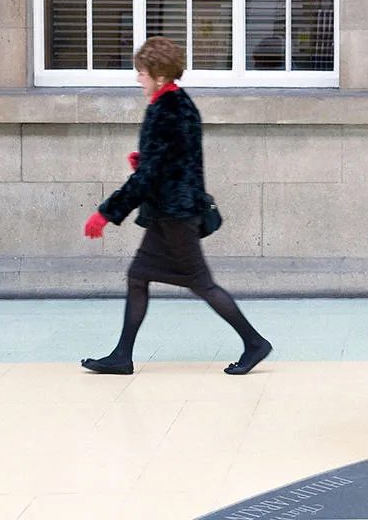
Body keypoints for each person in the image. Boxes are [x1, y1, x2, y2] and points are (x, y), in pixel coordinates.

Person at [81, 36, 272, 377]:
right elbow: (173, 160)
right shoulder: (175, 103)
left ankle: (255, 343)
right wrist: (145, 160)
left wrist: (106, 213)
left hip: (176, 215)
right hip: (170, 212)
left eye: (141, 71)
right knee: (138, 277)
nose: (137, 78)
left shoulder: (168, 109)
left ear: (158, 73)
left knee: (203, 284)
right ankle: (122, 356)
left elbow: (155, 174)